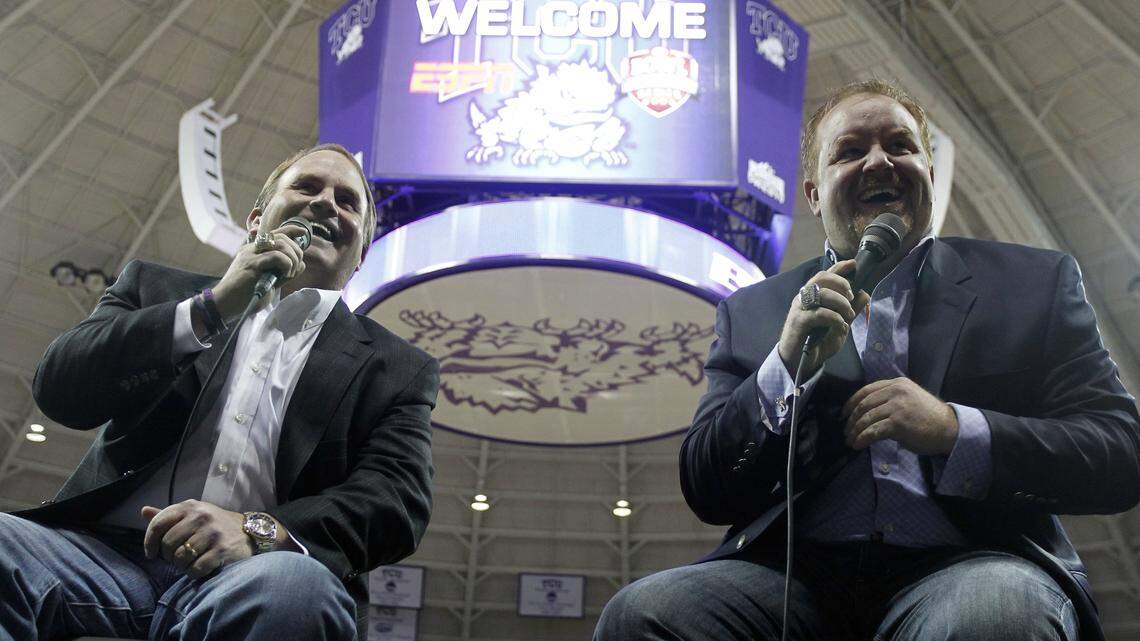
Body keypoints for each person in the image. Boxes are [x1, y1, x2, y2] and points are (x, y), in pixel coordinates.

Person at [594, 80, 1140, 641]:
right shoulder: (753, 312)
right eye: (851, 151)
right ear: (813, 194)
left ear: (929, 172)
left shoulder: (1033, 282)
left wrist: (956, 431)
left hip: (972, 566)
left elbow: (1120, 454)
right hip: (786, 581)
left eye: (900, 146)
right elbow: (706, 486)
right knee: (642, 614)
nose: (879, 161)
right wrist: (783, 366)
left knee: (999, 614)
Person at [0, 143, 440, 641]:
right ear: (256, 220)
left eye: (347, 201)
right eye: (307, 186)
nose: (325, 204)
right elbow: (61, 389)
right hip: (96, 557)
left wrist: (257, 530)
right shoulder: (156, 288)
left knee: (296, 590)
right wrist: (207, 310)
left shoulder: (396, 367)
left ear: (361, 254)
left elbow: (395, 500)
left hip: (259, 572)